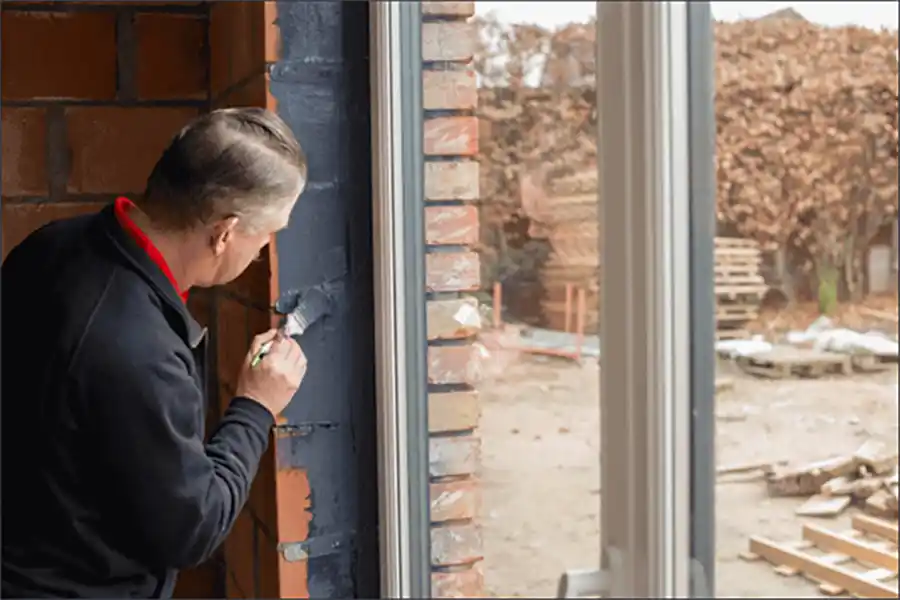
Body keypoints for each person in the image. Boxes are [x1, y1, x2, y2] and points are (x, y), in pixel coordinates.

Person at [1, 108, 309, 598]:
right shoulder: (136, 349)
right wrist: (256, 406)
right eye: (266, 233)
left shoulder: (52, 245)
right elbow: (193, 528)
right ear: (225, 232)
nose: (262, 251)